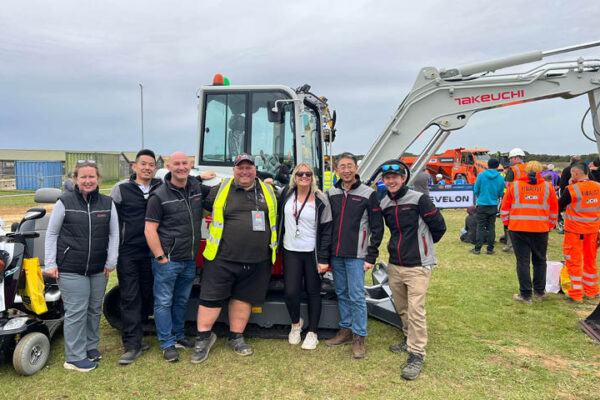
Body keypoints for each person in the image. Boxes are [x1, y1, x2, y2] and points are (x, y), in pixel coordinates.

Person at [191, 154, 278, 364]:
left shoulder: (268, 191)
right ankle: (203, 338)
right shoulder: (220, 188)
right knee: (210, 299)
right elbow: (200, 209)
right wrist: (200, 178)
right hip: (222, 258)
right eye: (241, 168)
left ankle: (236, 337)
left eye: (249, 168)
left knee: (243, 298)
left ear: (255, 170)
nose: (245, 172)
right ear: (234, 170)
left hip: (257, 259)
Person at [45, 161, 119, 372]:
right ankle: (74, 357)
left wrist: (111, 260)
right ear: (75, 179)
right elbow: (52, 234)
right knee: (77, 311)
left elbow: (114, 233)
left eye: (91, 177)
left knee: (94, 309)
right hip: (70, 267)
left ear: (98, 179)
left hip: (99, 268)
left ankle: (90, 347)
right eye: (83, 177)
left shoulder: (107, 203)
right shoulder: (64, 202)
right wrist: (51, 263)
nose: (88, 181)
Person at [378, 160, 446, 380]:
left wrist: (423, 246)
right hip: (396, 263)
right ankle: (409, 340)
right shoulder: (385, 202)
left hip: (418, 264)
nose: (391, 181)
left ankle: (417, 353)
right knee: (402, 307)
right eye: (387, 178)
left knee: (416, 309)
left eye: (395, 177)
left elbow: (439, 226)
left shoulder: (419, 199)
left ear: (403, 178)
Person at [144, 152, 208, 362]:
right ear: (169, 166)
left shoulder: (196, 188)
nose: (181, 167)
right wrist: (161, 257)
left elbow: (215, 200)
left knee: (181, 300)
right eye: (177, 164)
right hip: (168, 260)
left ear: (190, 165)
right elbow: (150, 230)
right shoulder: (159, 195)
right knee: (163, 301)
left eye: (185, 163)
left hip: (189, 258)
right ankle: (167, 343)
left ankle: (179, 336)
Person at [325, 152, 384, 359]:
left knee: (357, 295)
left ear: (356, 168)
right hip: (336, 253)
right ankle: (346, 330)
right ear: (337, 170)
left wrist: (371, 256)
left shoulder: (368, 193)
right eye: (342, 166)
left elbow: (377, 227)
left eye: (350, 166)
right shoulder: (331, 193)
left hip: (357, 254)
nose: (347, 170)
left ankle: (359, 336)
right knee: (341, 292)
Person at [110, 149, 161, 365]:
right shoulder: (120, 189)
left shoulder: (162, 187)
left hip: (155, 251)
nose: (147, 168)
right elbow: (111, 221)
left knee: (149, 294)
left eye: (151, 165)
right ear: (135, 167)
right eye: (143, 164)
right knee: (130, 296)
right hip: (129, 251)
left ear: (155, 168)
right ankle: (132, 345)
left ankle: (140, 334)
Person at [277, 164, 332, 350]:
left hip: (312, 252)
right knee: (291, 292)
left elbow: (326, 231)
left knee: (313, 291)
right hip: (290, 250)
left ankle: (313, 332)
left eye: (308, 173)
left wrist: (324, 259)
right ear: (294, 176)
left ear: (312, 177)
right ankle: (295, 325)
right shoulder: (286, 194)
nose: (304, 176)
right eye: (300, 173)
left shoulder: (320, 199)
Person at [500, 161, 558, 305]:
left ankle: (525, 295)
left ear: (525, 170)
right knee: (540, 260)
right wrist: (549, 225)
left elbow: (505, 207)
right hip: (540, 229)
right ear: (540, 171)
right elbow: (554, 209)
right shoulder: (547, 187)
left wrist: (507, 223)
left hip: (518, 228)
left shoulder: (515, 186)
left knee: (523, 261)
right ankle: (539, 292)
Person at [558, 161, 600, 302]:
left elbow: (559, 205)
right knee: (590, 261)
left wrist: (570, 185)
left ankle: (575, 293)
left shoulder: (572, 190)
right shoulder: (598, 187)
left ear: (575, 174)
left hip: (575, 231)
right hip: (593, 230)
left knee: (574, 261)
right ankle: (592, 290)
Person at [470, 158, 505, 255]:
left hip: (482, 204)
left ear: (487, 165)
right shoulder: (501, 178)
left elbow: (476, 188)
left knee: (480, 227)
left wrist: (480, 197)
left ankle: (477, 249)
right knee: (491, 227)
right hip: (493, 205)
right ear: (498, 166)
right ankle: (490, 249)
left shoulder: (481, 175)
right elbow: (501, 192)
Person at [501, 148, 527, 253]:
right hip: (528, 201)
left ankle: (511, 246)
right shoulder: (530, 168)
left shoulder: (514, 169)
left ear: (517, 158)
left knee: (511, 224)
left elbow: (508, 185)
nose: (510, 160)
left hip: (515, 200)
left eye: (511, 158)